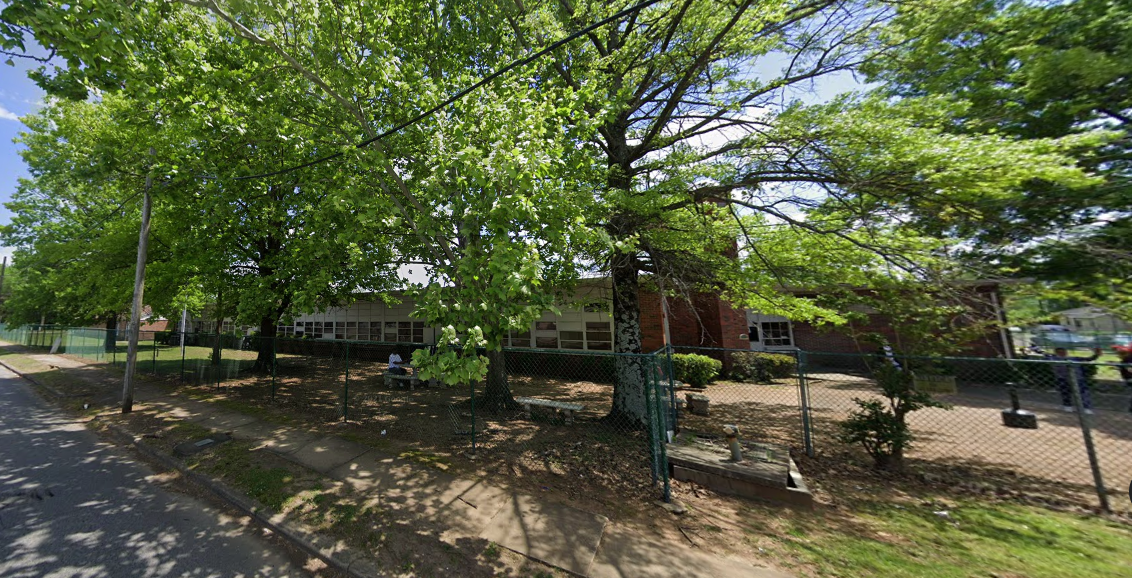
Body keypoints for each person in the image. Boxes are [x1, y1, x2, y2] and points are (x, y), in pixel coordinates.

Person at [1045, 347, 1101, 414]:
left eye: (1064, 351)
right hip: (1063, 379)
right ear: (1057, 352)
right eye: (1060, 352)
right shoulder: (1053, 359)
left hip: (1078, 378)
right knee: (1065, 393)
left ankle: (1086, 408)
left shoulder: (1074, 358)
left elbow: (1089, 359)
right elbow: (1045, 355)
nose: (1063, 353)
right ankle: (1068, 406)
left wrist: (1096, 354)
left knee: (1083, 393)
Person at [1115, 345, 1132, 413]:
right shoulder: (1126, 359)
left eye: (1119, 354)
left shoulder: (1127, 359)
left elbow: (1129, 369)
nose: (1118, 356)